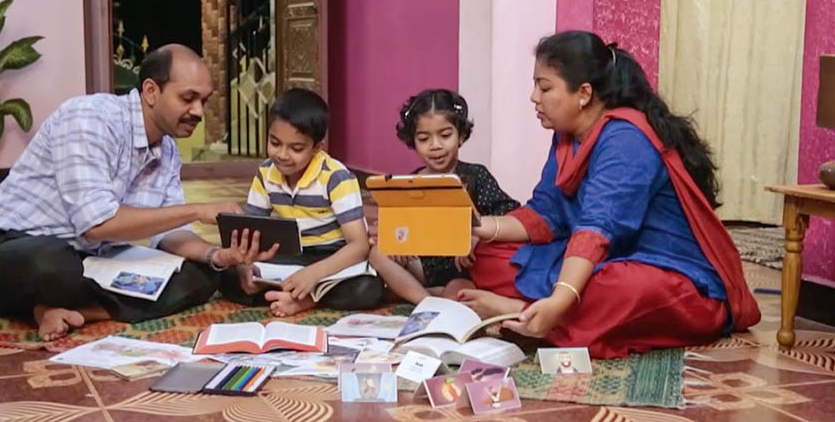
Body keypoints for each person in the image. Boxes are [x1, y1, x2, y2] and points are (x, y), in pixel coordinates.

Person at [453, 31, 761, 358]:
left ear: (584, 93)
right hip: (602, 259)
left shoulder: (626, 137)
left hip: (669, 275)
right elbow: (546, 213)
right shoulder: (567, 136)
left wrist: (560, 299)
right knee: (487, 254)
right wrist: (482, 228)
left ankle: (524, 312)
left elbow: (598, 229)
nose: (533, 97)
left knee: (624, 289)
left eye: (544, 87)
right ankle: (549, 312)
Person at [0, 45, 276, 341]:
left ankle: (76, 311)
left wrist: (218, 256)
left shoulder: (167, 151)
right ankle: (52, 304)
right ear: (151, 91)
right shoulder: (89, 118)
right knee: (53, 265)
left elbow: (169, 234)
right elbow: (97, 224)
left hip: (91, 258)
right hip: (10, 249)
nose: (198, 111)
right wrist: (197, 210)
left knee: (201, 275)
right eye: (188, 98)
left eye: (203, 101)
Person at [218, 88, 382, 316]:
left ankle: (305, 298)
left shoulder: (336, 177)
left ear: (316, 148)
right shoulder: (266, 173)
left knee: (368, 289)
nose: (282, 155)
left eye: (296, 148)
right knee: (226, 276)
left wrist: (313, 274)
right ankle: (294, 294)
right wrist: (245, 266)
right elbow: (250, 230)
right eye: (275, 143)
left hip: (332, 257)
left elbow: (359, 246)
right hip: (291, 255)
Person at [368, 89, 519, 304]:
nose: (435, 146)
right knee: (377, 254)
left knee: (459, 294)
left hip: (462, 268)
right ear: (413, 141)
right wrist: (397, 245)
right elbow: (400, 224)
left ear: (461, 135)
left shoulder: (475, 175)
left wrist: (476, 236)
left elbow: (509, 211)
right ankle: (426, 300)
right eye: (424, 138)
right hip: (423, 264)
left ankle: (421, 293)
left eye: (445, 135)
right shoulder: (412, 182)